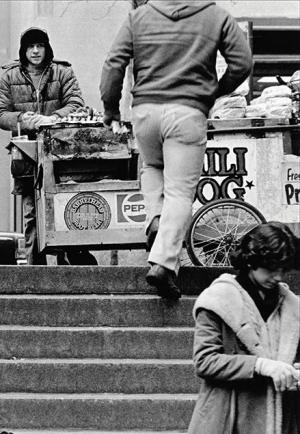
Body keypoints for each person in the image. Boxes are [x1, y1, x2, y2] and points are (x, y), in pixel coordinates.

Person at [100, 0, 252, 298]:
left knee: (152, 166)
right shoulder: (216, 15)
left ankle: (156, 218)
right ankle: (163, 263)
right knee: (180, 192)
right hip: (187, 112)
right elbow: (242, 64)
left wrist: (111, 109)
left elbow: (113, 64)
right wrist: (214, 91)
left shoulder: (139, 17)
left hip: (146, 112)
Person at [176, 222, 299, 434]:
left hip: (280, 419)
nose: (279, 276)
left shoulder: (292, 305)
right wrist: (260, 365)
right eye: (271, 268)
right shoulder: (218, 301)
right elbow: (205, 361)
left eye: (283, 269)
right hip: (232, 420)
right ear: (251, 261)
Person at [0, 27, 93, 266]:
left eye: (40, 46)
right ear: (23, 50)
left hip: (61, 152)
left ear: (47, 48)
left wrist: (52, 119)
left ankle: (68, 265)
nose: (36, 51)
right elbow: (1, 114)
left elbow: (76, 103)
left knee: (65, 207)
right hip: (27, 154)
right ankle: (35, 269)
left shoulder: (63, 71)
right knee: (31, 214)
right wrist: (24, 120)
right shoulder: (9, 75)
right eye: (30, 46)